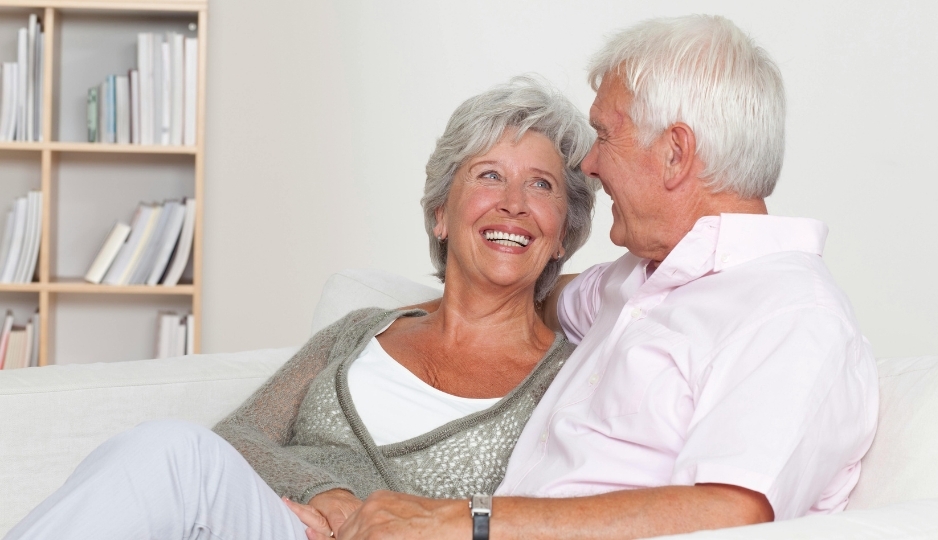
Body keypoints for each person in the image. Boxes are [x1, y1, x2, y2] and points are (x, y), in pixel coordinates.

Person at [332, 15, 880, 540]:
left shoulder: (792, 315)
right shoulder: (639, 280)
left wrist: (465, 522)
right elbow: (531, 298)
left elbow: (732, 513)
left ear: (674, 154)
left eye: (604, 136)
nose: (589, 165)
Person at [3, 76, 599, 540]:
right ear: (441, 214)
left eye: (542, 185)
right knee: (171, 461)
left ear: (564, 231)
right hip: (282, 525)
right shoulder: (360, 333)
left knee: (174, 455)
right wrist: (328, 494)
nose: (514, 205)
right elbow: (240, 436)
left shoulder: (569, 375)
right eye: (489, 175)